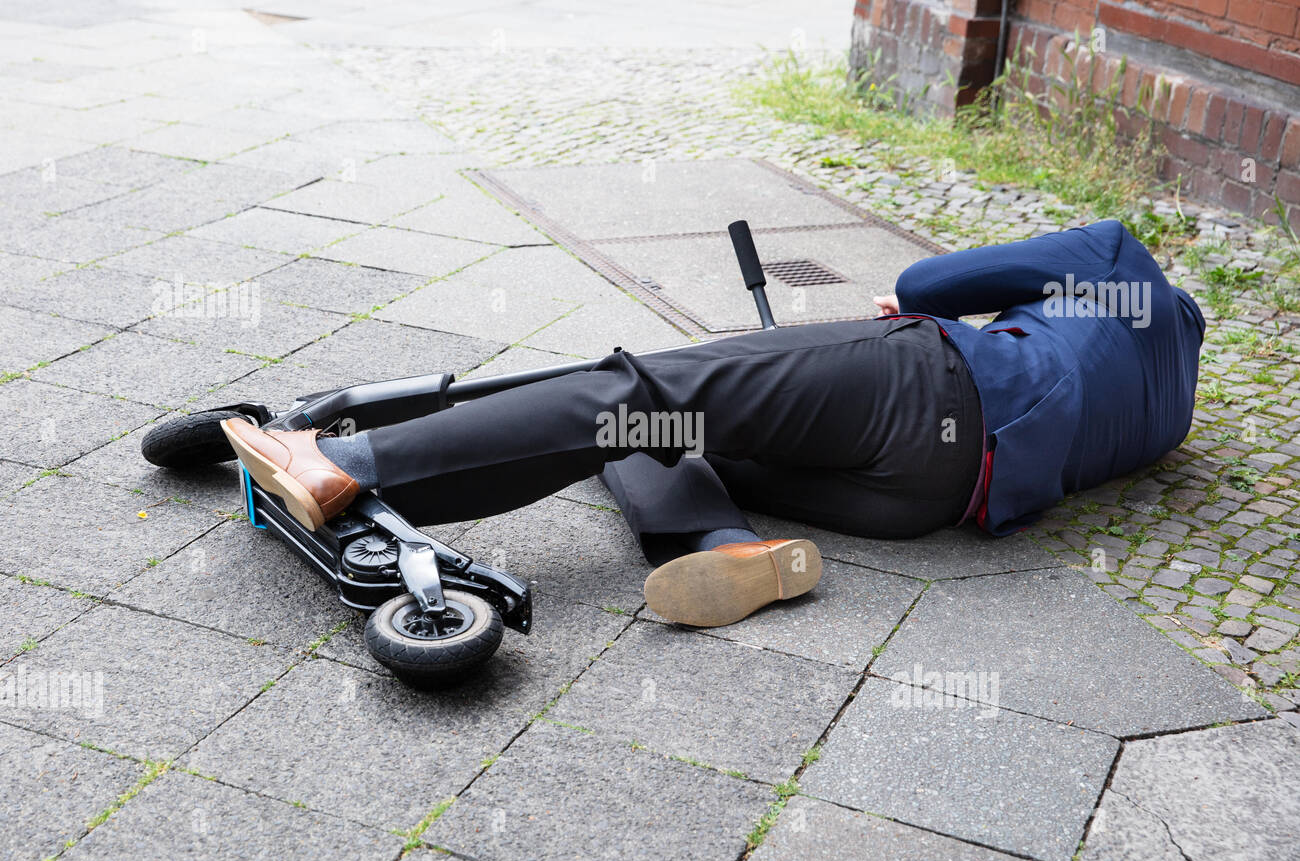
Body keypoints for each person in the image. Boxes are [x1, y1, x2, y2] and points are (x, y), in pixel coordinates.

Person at [223, 220, 1205, 627]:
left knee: (638, 397)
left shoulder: (1119, 258)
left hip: (928, 386)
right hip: (934, 496)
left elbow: (925, 284)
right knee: (672, 429)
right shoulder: (1171, 411)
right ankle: (729, 541)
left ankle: (344, 460)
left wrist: (935, 313)